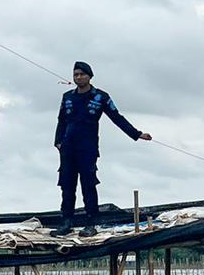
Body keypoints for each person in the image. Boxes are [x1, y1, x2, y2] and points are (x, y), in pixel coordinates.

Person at [52, 61, 151, 237]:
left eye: (82, 74)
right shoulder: (67, 97)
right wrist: (58, 142)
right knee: (67, 186)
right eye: (76, 74)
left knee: (88, 186)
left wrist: (137, 134)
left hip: (88, 148)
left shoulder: (100, 97)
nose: (79, 77)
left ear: (89, 76)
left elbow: (117, 117)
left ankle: (91, 223)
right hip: (67, 148)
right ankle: (66, 222)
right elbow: (61, 120)